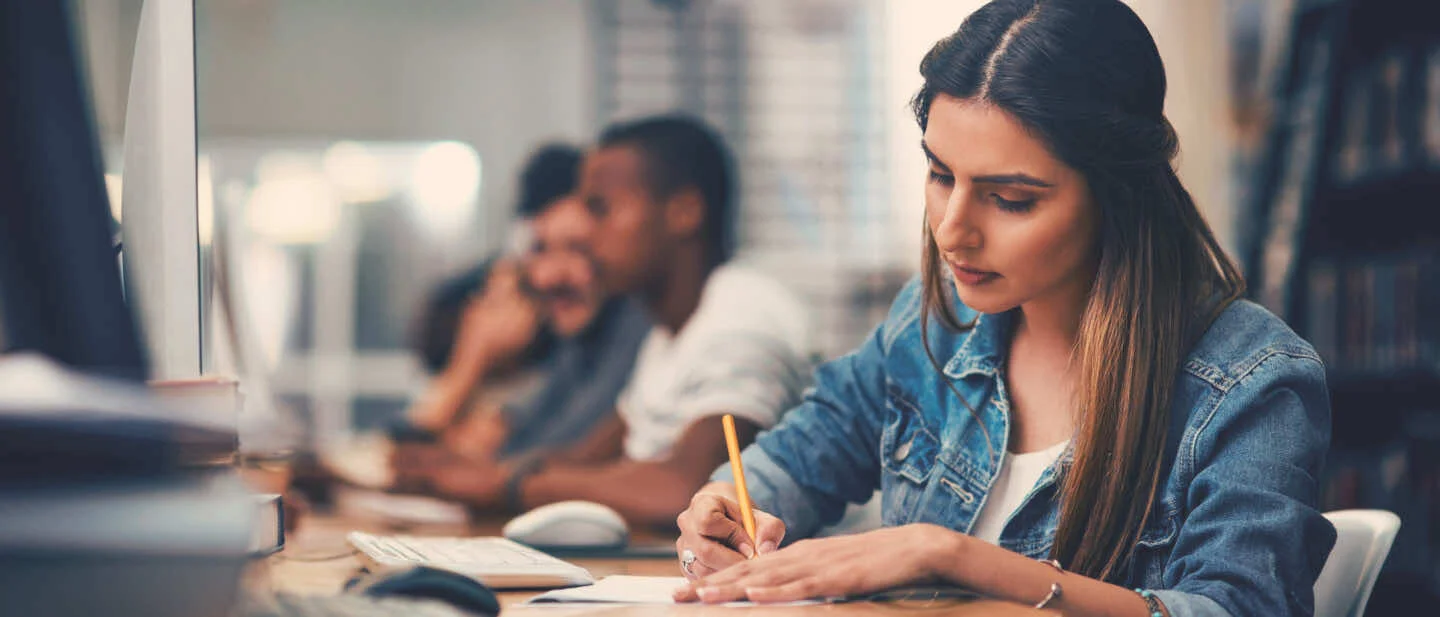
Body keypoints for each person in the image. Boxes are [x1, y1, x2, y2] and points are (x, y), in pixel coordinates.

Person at [670, 2, 1335, 616]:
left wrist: (951, 556)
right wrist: (728, 502)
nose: (952, 230)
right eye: (940, 174)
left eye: (1011, 199)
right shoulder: (933, 322)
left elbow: (1237, 609)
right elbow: (803, 449)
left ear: (1118, 195)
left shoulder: (1253, 382)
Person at [421, 115, 813, 528]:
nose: (586, 236)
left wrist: (509, 485)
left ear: (684, 211)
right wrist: (454, 474)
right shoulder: (668, 332)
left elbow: (689, 491)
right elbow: (589, 459)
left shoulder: (742, 314)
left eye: (600, 209)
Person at [397, 144, 650, 463]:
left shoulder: (635, 324)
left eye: (578, 249)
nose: (549, 277)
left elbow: (544, 458)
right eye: (540, 250)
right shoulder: (573, 347)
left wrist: (471, 361)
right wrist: (473, 357)